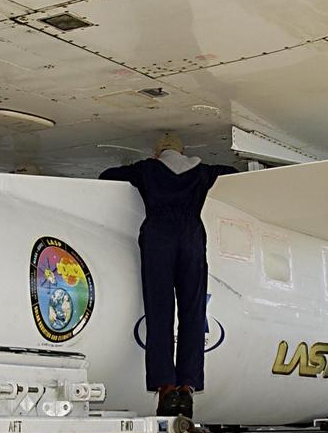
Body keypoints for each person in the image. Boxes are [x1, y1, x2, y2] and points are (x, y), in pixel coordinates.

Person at [100, 133, 236, 418]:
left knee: (160, 311)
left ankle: (165, 388)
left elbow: (107, 174)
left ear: (157, 153)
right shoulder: (202, 171)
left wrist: (145, 167)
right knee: (193, 311)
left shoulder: (147, 169)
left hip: (158, 236)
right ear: (182, 151)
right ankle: (187, 388)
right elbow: (232, 174)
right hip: (191, 237)